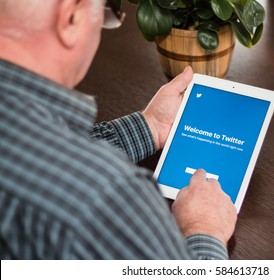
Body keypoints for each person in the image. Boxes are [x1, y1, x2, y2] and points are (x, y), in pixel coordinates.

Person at [0, 0, 237, 259]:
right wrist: (204, 229)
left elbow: (39, 158)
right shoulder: (104, 202)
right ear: (71, 17)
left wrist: (149, 126)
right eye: (104, 11)